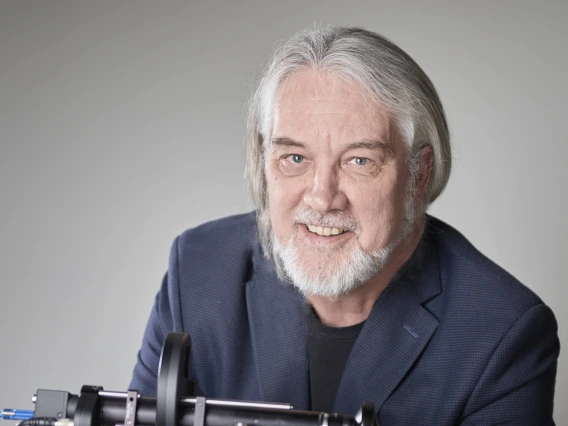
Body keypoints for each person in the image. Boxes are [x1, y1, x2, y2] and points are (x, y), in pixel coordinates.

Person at [129, 26, 560, 424]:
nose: (322, 197)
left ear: (418, 174)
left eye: (360, 161)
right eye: (295, 158)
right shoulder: (198, 270)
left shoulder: (502, 331)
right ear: (264, 162)